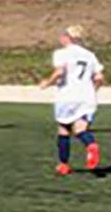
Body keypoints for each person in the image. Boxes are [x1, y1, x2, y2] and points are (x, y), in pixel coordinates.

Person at [39, 25, 105, 176]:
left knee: (63, 129)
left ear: (67, 37)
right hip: (86, 96)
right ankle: (90, 144)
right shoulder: (90, 55)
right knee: (81, 129)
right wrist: (92, 91)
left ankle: (63, 165)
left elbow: (60, 72)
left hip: (67, 95)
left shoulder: (62, 53)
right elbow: (99, 77)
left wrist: (47, 83)